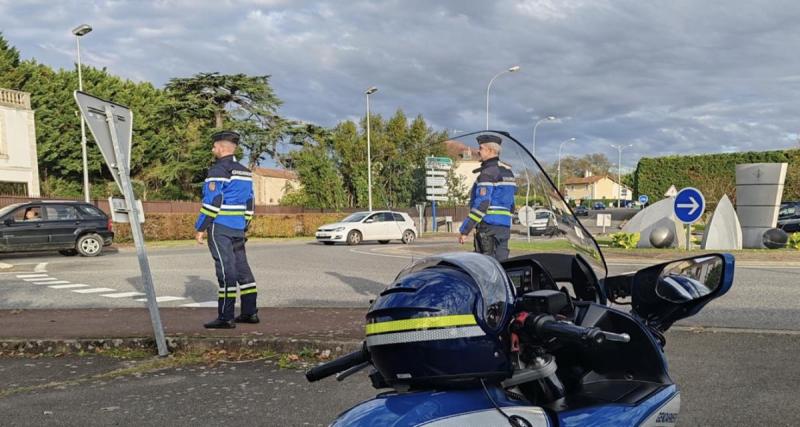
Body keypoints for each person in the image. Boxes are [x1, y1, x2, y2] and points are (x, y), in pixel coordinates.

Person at [195, 131, 259, 329]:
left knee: (225, 271)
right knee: (242, 269)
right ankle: (250, 312)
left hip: (220, 227)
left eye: (214, 146)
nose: (212, 149)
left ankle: (225, 317)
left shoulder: (217, 170)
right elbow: (250, 202)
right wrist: (244, 223)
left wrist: (200, 227)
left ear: (222, 148)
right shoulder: (245, 172)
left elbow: (214, 201)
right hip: (238, 227)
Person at [457, 134, 517, 261]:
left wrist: (465, 230)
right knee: (501, 265)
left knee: (486, 266)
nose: (478, 151)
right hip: (504, 229)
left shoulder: (487, 174)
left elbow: (482, 204)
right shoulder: (509, 174)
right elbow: (512, 205)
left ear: (490, 150)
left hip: (488, 228)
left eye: (481, 148)